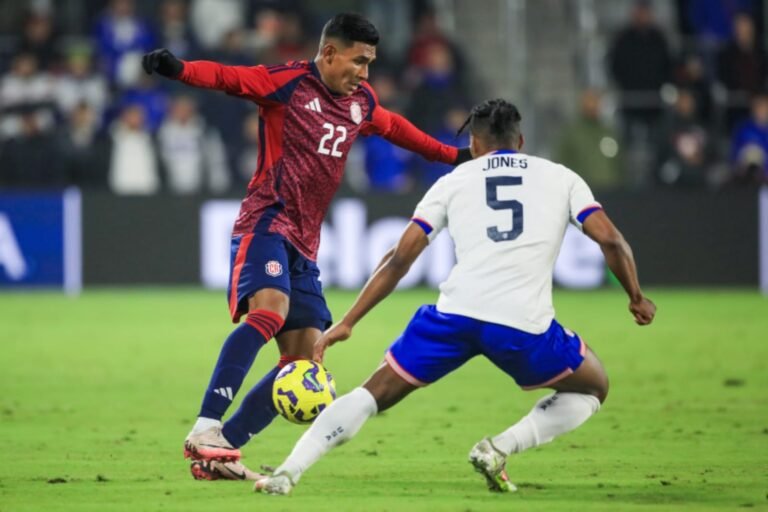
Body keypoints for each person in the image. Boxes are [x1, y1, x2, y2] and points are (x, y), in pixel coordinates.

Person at [253, 99, 657, 495]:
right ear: (520, 141)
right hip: (522, 324)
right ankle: (498, 448)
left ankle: (288, 472)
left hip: (454, 316)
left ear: (475, 146)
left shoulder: (452, 181)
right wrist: (636, 297)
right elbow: (613, 242)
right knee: (593, 387)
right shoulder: (561, 178)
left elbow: (398, 259)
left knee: (373, 393)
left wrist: (348, 321)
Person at [141, 13, 471, 480]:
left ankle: (222, 452)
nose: (365, 73)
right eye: (359, 61)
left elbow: (397, 128)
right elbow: (230, 78)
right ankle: (205, 426)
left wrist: (454, 156)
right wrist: (180, 70)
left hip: (305, 243)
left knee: (304, 360)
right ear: (330, 53)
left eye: (371, 63)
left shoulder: (361, 101)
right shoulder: (288, 83)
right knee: (270, 310)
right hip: (266, 222)